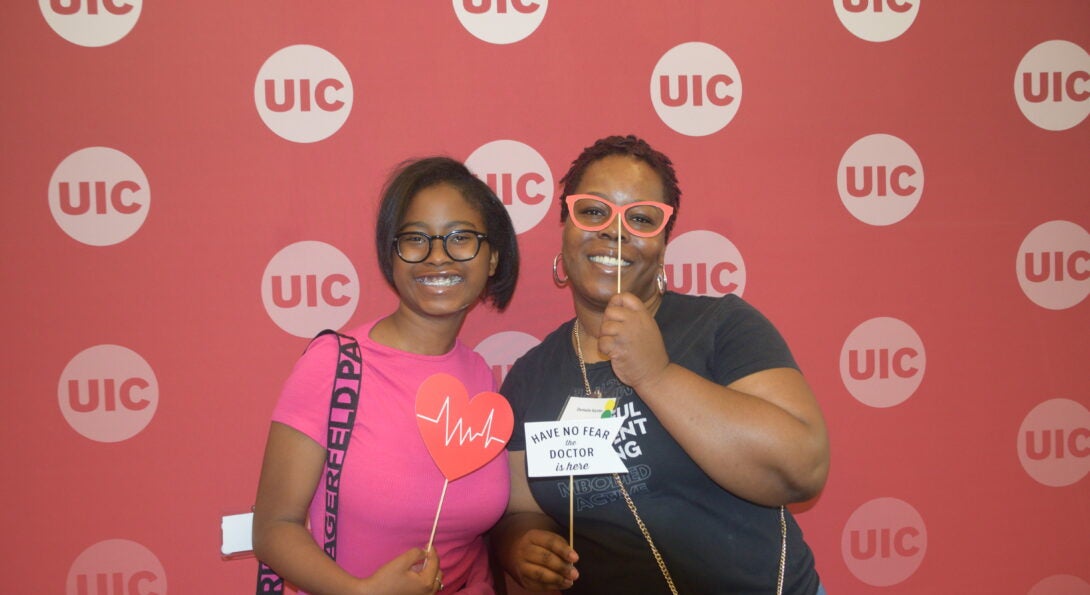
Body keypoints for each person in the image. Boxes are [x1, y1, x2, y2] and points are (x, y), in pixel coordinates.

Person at [491, 135, 829, 594]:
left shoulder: (722, 325)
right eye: (593, 211)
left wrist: (657, 375)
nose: (614, 231)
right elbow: (523, 508)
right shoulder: (530, 376)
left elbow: (802, 470)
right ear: (565, 226)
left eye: (641, 219)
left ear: (664, 243)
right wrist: (520, 545)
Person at [253, 156, 520, 595]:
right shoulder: (334, 365)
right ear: (391, 255)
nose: (437, 257)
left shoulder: (481, 378)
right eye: (416, 239)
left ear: (492, 258)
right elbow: (272, 528)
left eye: (461, 238)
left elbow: (469, 537)